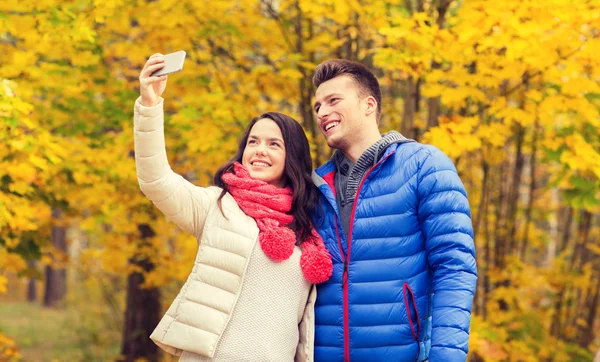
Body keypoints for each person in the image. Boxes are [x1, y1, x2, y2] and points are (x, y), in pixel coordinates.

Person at [134, 53, 333, 361]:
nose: (259, 151)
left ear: (292, 156)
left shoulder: (308, 228)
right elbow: (155, 180)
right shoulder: (217, 207)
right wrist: (149, 105)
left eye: (273, 144)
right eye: (253, 142)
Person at [309, 59, 478, 362]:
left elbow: (455, 268)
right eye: (318, 106)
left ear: (368, 104)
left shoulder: (424, 166)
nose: (322, 112)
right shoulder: (315, 186)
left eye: (333, 100)